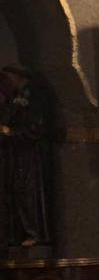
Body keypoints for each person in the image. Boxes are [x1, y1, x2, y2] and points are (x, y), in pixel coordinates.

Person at [1, 65, 52, 248]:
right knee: (16, 191)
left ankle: (34, 233)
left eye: (9, 78)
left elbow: (36, 128)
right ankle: (19, 233)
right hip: (16, 153)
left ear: (18, 78)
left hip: (29, 155)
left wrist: (11, 133)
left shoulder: (34, 97)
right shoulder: (16, 97)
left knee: (27, 191)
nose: (7, 82)